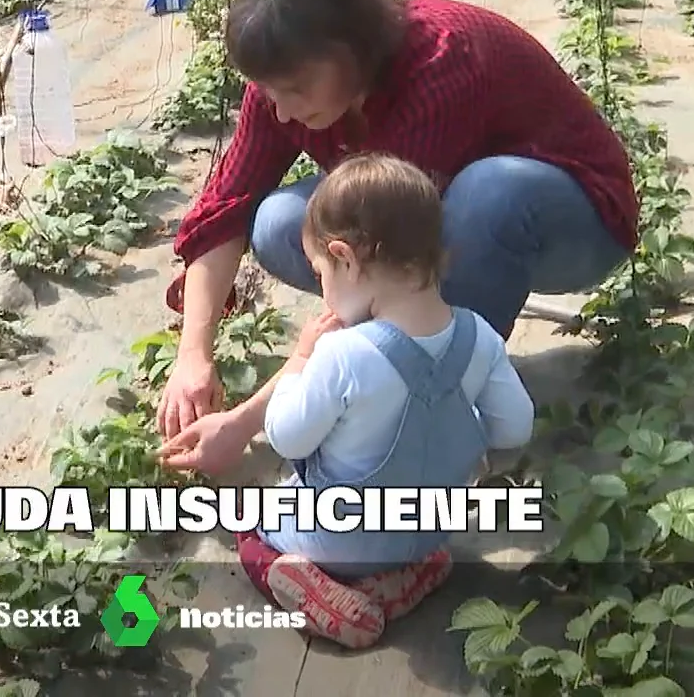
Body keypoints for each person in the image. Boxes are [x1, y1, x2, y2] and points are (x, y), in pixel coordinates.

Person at [157, 0, 637, 474]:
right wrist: (193, 357)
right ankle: (420, 347)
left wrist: (244, 421)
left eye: (296, 89)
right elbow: (229, 203)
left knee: (488, 193)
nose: (284, 113)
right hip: (440, 217)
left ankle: (441, 399)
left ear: (351, 47)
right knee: (277, 222)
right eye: (271, 94)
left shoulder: (437, 68)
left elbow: (378, 259)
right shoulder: (284, 78)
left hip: (575, 219)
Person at [204, 153, 535, 649]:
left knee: (248, 523)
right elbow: (514, 429)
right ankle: (405, 578)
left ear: (346, 258)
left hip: (338, 540)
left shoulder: (343, 353)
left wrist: (300, 358)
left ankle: (311, 586)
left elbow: (286, 433)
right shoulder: (480, 338)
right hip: (426, 528)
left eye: (321, 274)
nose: (324, 290)